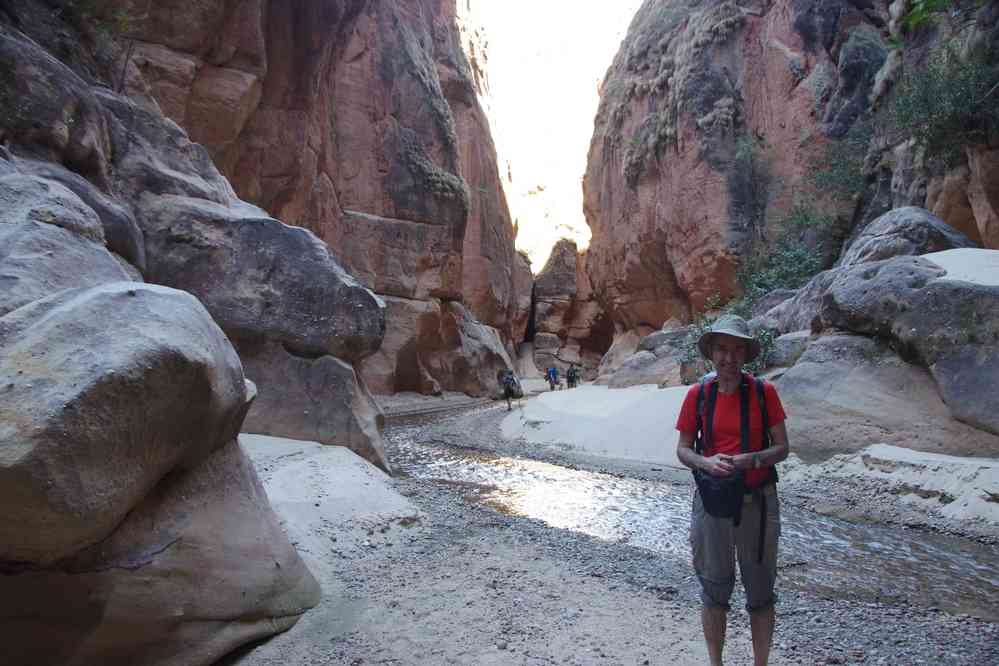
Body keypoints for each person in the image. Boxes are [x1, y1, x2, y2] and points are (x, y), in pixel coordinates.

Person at [674, 315, 790, 666]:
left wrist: (750, 460)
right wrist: (707, 463)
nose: (729, 357)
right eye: (722, 348)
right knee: (714, 591)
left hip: (758, 502)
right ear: (711, 352)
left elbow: (782, 448)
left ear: (746, 354)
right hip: (711, 502)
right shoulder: (698, 394)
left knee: (760, 593)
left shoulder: (763, 391)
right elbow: (683, 449)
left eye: (737, 349)